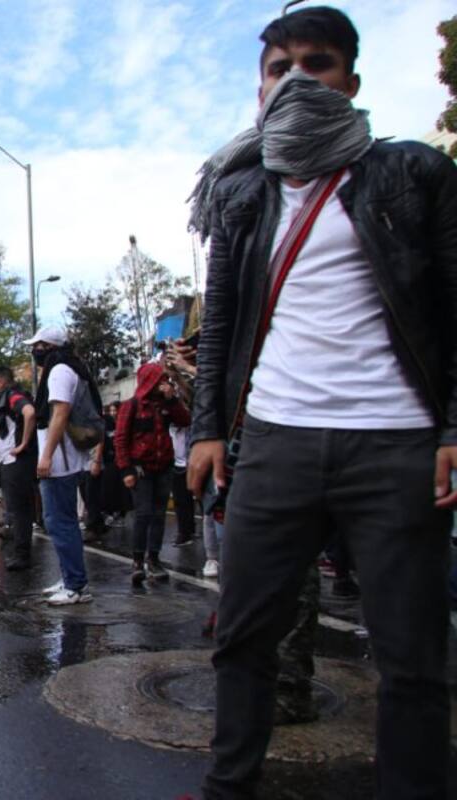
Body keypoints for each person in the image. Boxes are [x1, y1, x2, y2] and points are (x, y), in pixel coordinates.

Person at [186, 7, 456, 798]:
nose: (298, 79)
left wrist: (452, 426)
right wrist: (207, 429)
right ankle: (229, 786)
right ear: (260, 90)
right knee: (243, 638)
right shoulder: (242, 192)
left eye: (319, 63)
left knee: (412, 656)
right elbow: (220, 323)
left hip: (397, 443)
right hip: (276, 442)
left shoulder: (413, 173)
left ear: (352, 81)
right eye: (280, 68)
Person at [29, 326, 100, 606]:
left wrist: (46, 456)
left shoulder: (59, 371)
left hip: (60, 459)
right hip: (62, 457)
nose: (34, 351)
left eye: (38, 345)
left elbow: (59, 414)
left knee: (60, 522)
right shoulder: (69, 367)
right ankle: (70, 577)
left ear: (50, 347)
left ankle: (75, 586)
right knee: (62, 521)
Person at [114, 362, 191, 585]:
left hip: (163, 467)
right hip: (141, 469)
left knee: (159, 514)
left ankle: (154, 559)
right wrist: (126, 469)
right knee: (143, 513)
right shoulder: (132, 405)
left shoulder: (165, 405)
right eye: (160, 379)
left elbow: (185, 420)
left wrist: (172, 400)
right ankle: (138, 561)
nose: (164, 383)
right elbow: (120, 438)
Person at [0, 366, 37, 570]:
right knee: (15, 508)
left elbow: (29, 412)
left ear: (1, 381)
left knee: (21, 510)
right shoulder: (2, 401)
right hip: (7, 462)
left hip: (17, 461)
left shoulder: (13, 396)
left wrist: (23, 444)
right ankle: (20, 552)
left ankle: (22, 555)